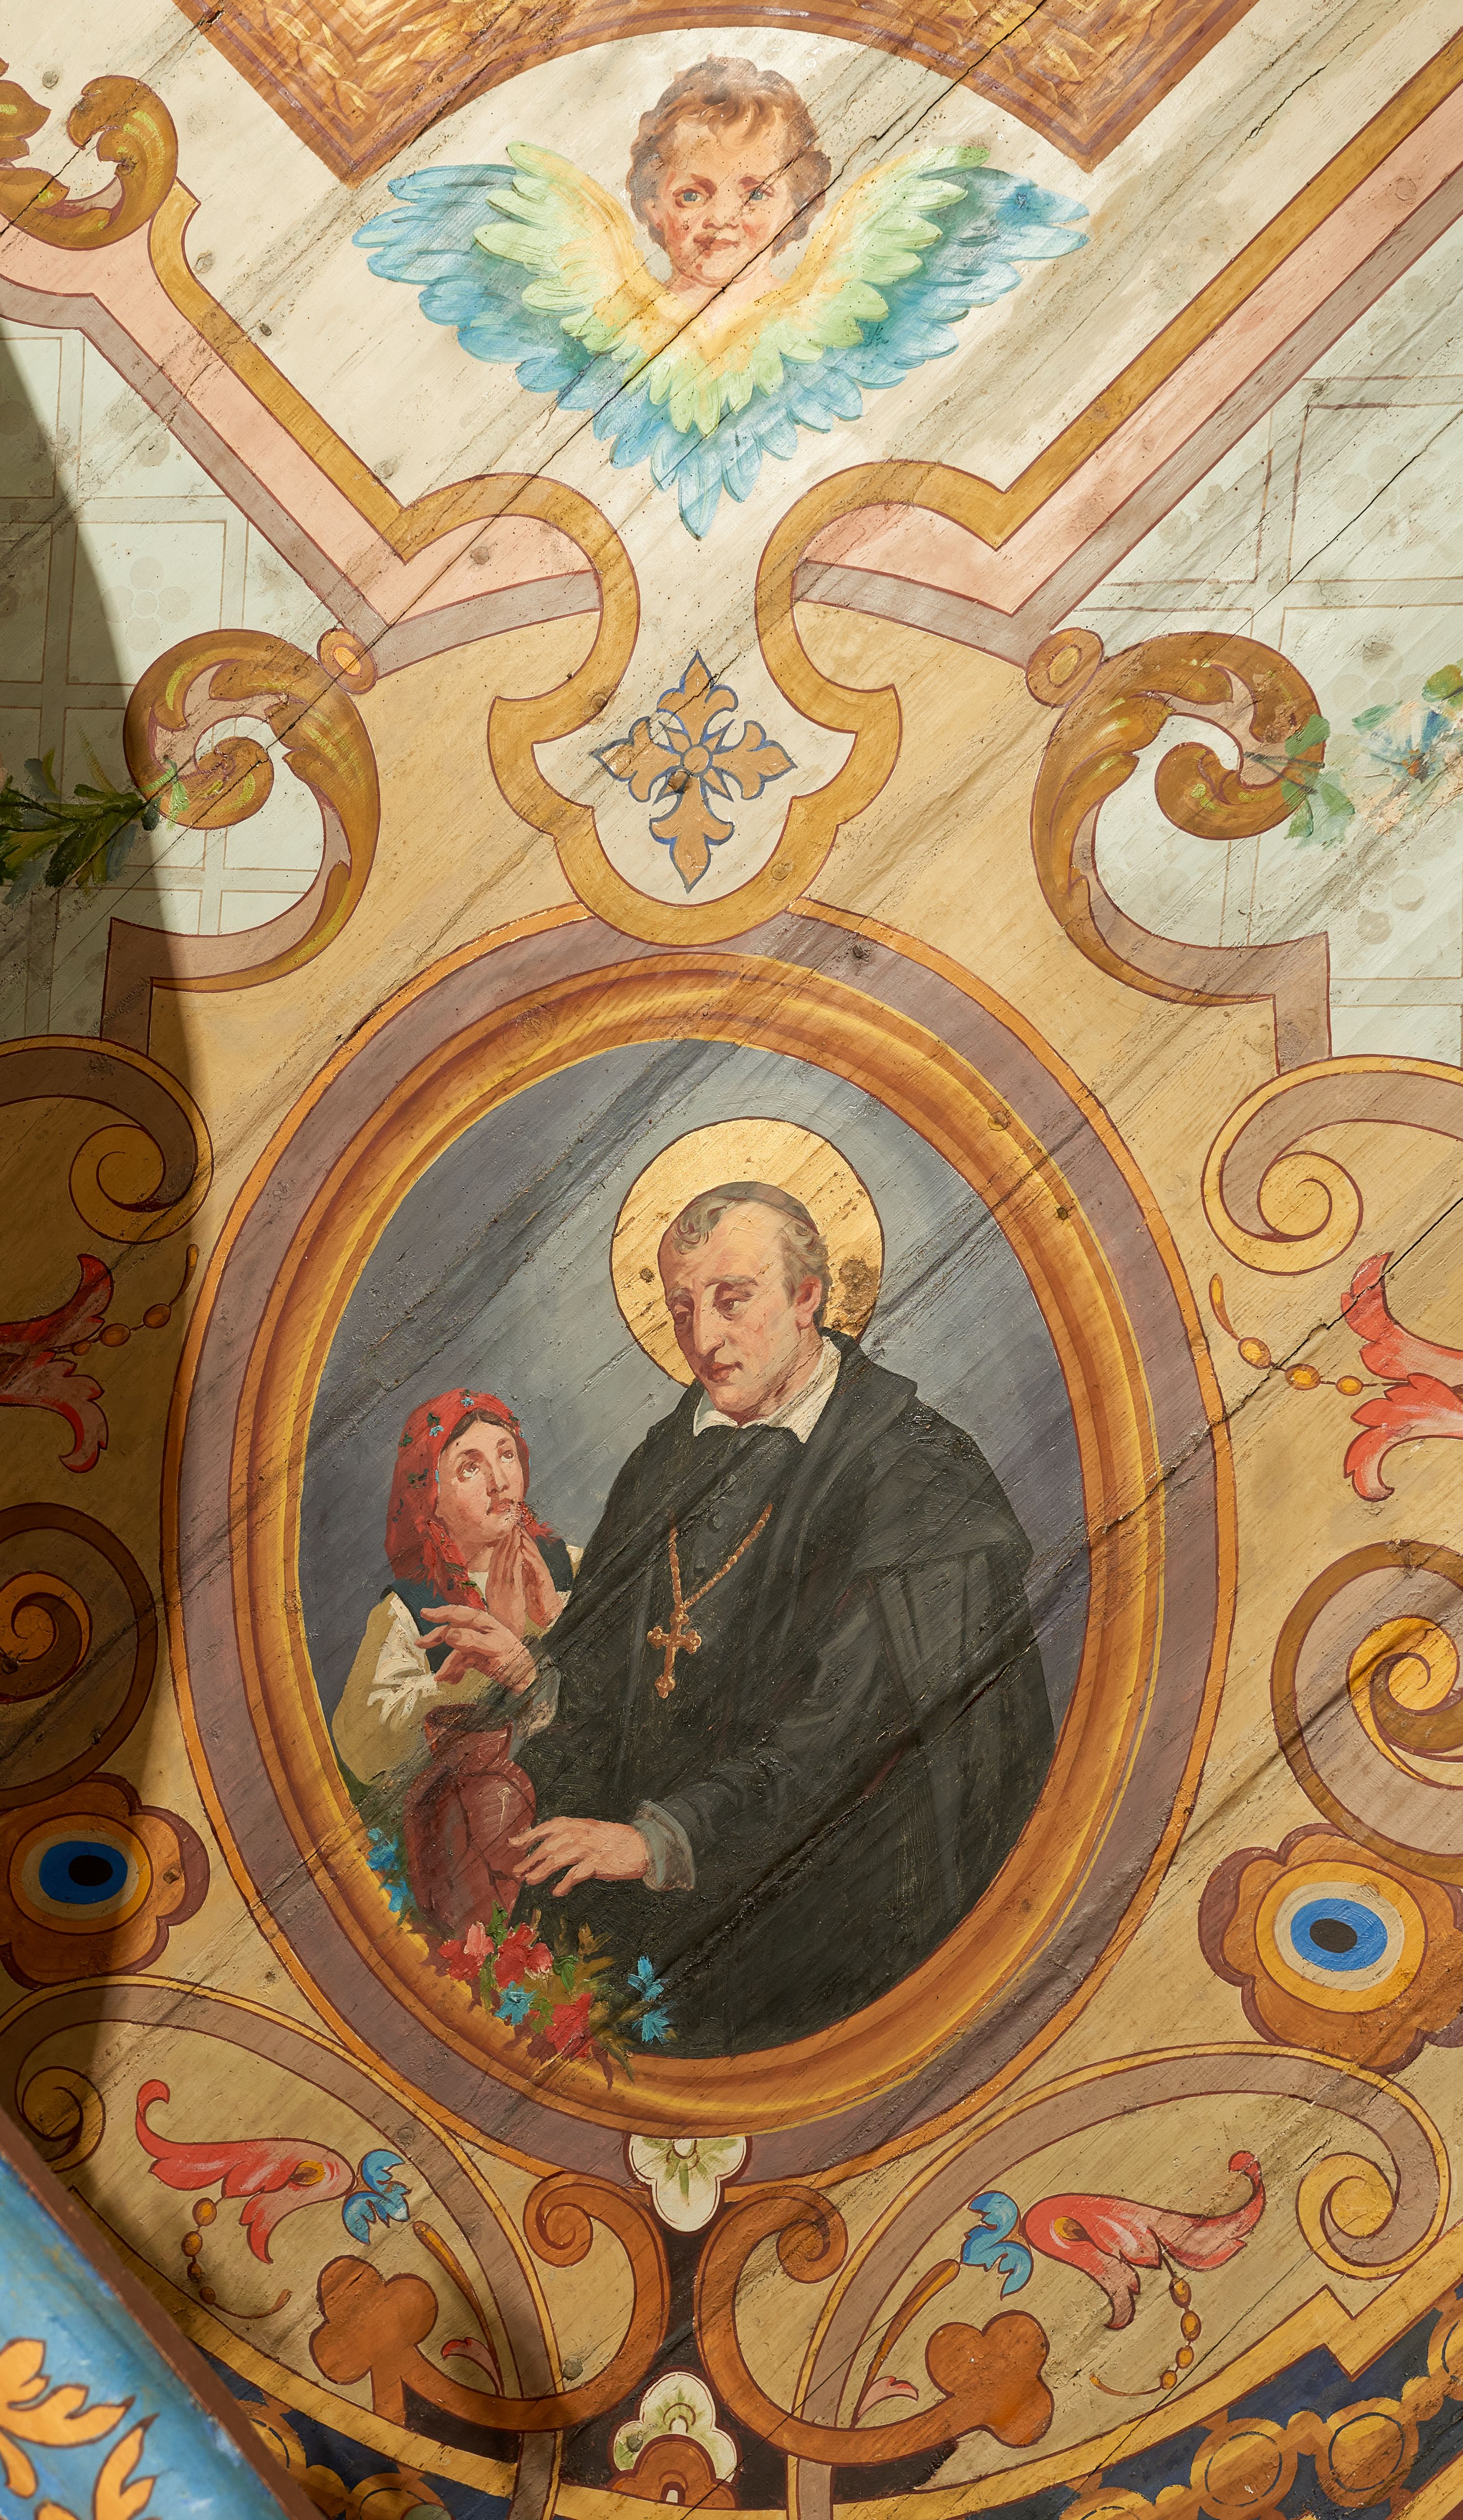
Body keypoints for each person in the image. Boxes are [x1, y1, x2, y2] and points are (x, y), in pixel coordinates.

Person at [500, 1181, 1054, 2056]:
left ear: (808, 1297)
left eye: (732, 1299)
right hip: (636, 1904)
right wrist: (533, 1707)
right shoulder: (664, 1461)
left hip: (827, 1913)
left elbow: (846, 1735)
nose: (704, 1339)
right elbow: (598, 1675)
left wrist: (657, 1840)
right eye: (682, 1309)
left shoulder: (916, 1473)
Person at [331, 1389, 573, 1796]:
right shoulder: (411, 1608)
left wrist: (556, 1620)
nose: (499, 1482)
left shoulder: (570, 1565)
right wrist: (472, 1673)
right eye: (469, 1469)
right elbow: (362, 1747)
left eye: (507, 1455)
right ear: (431, 1497)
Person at [627, 59, 831, 315]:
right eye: (691, 196)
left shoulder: (809, 317)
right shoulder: (628, 320)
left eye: (756, 194)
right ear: (655, 208)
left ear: (796, 206)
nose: (722, 218)